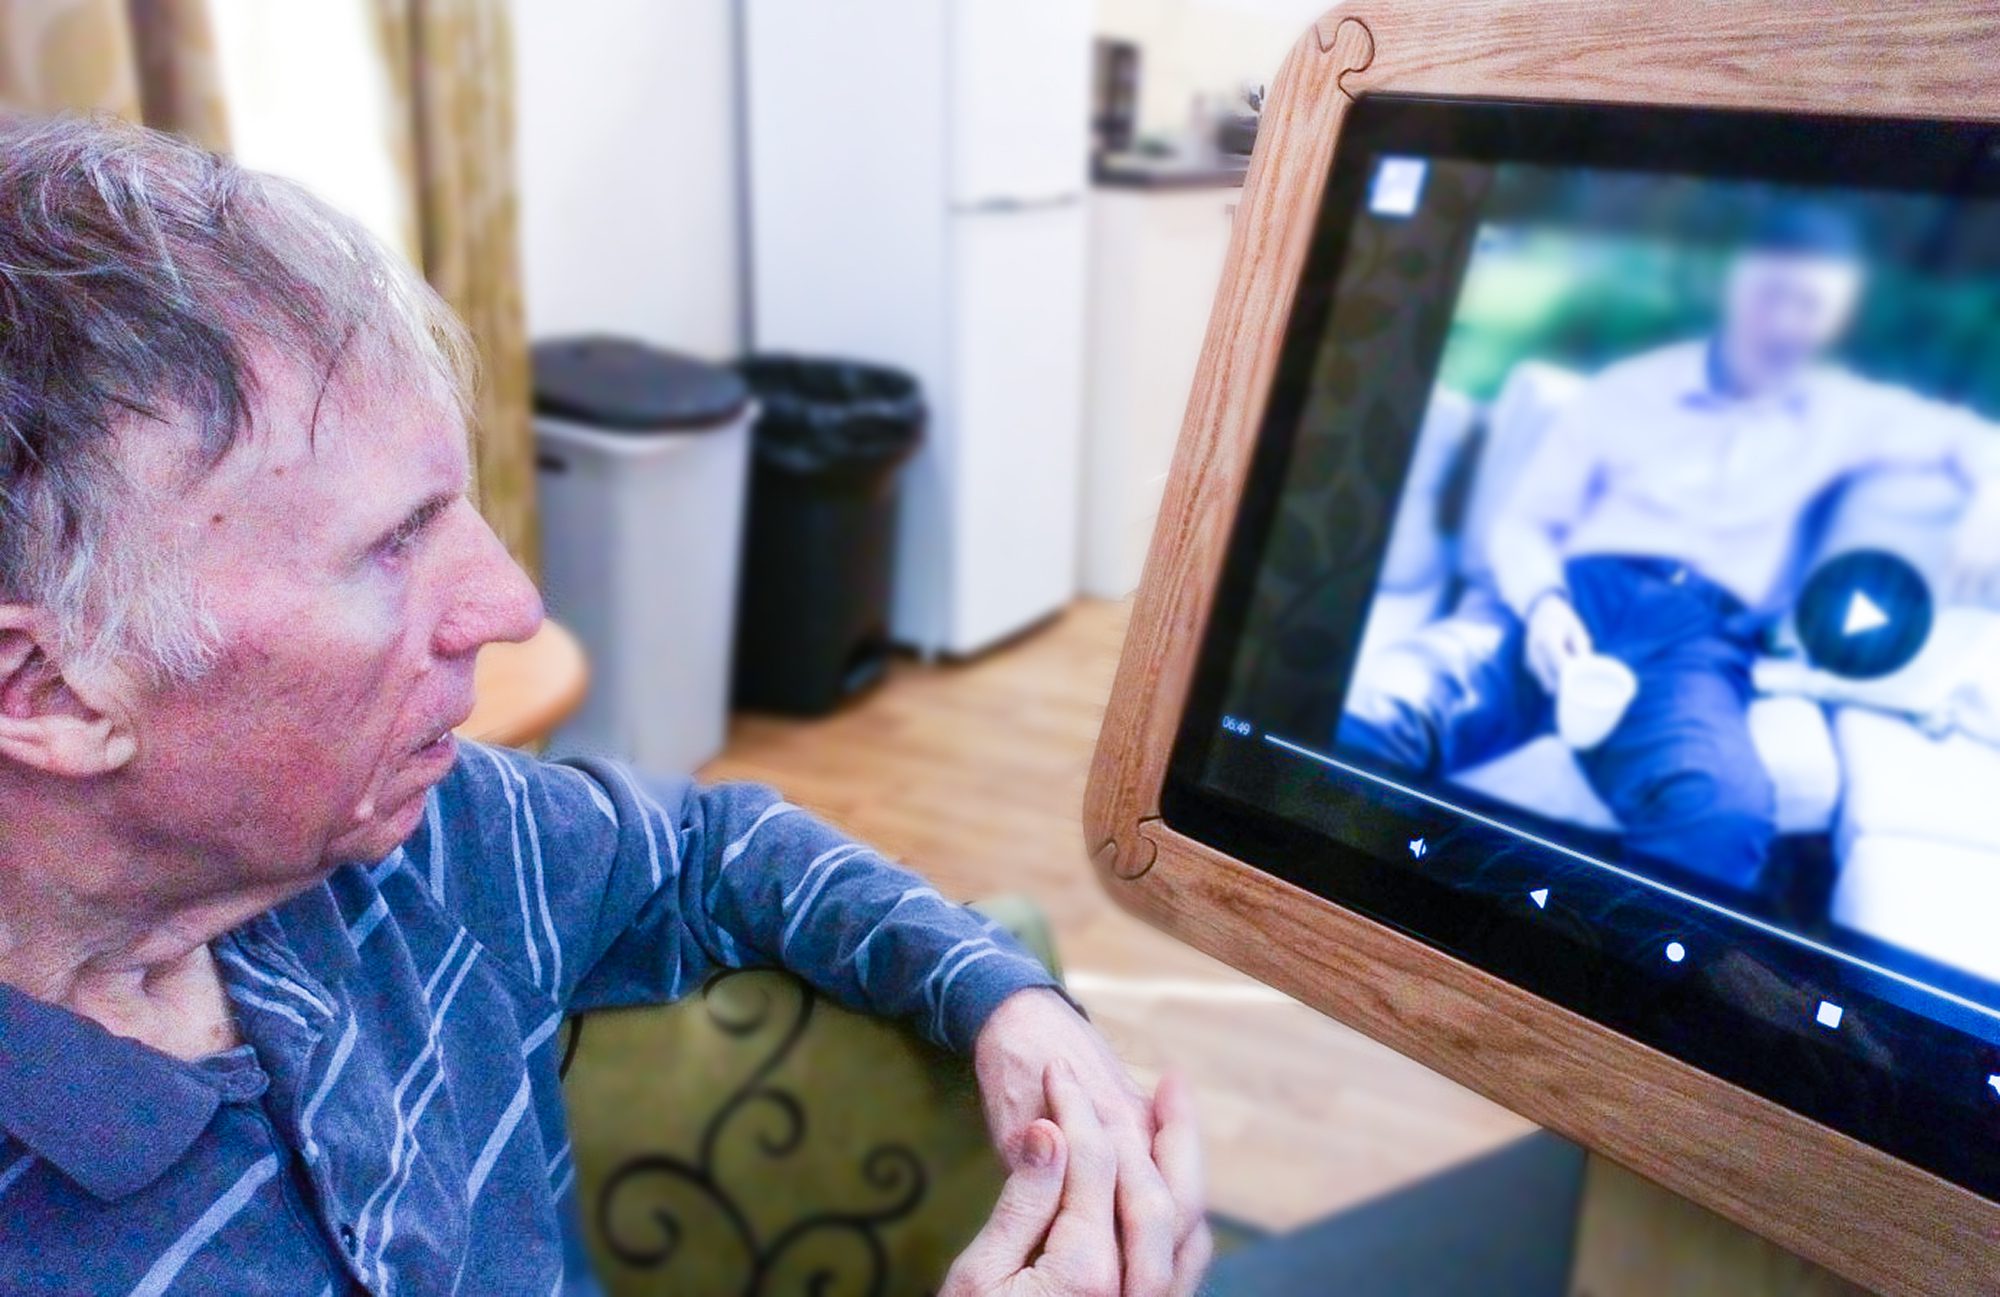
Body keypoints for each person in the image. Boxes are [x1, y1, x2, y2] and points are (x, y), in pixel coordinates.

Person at [0, 114, 1208, 1295]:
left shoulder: (410, 844)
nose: (512, 600)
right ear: (46, 690)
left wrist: (1002, 994)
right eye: (390, 544)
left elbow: (707, 847)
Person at [1340, 205, 2000, 895]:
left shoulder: (1844, 411)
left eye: (1809, 307)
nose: (1784, 322)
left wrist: (1990, 492)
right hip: (1569, 596)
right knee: (1387, 703)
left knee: (1722, 816)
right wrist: (1541, 604)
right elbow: (1524, 523)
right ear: (1737, 288)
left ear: (1832, 321)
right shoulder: (1630, 388)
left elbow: (1972, 439)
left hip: (1699, 643)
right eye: (1772, 295)